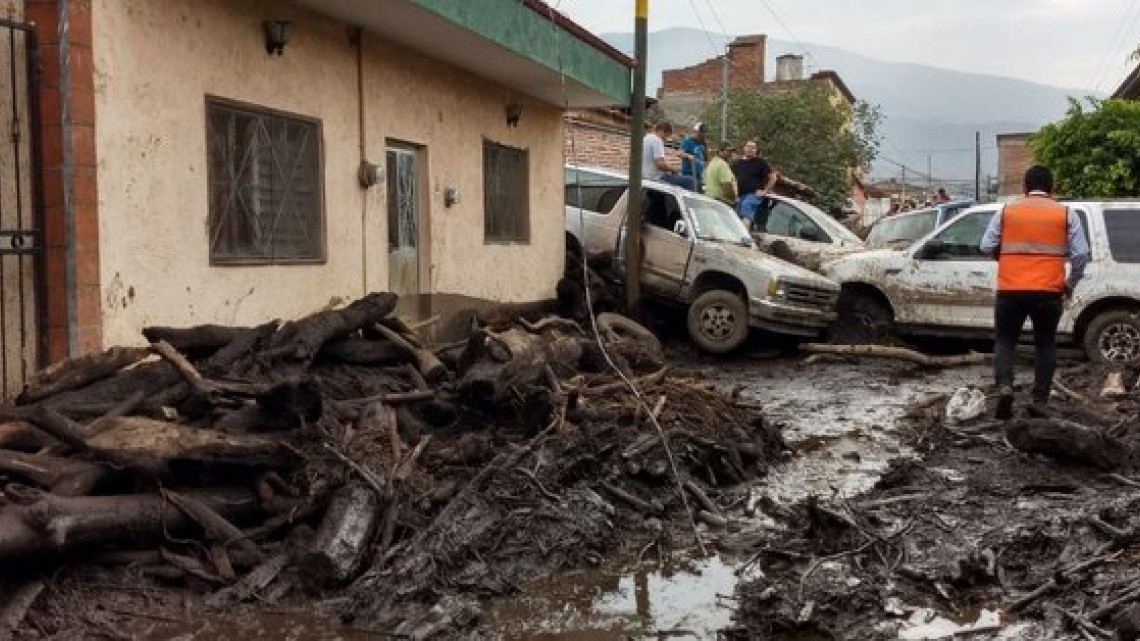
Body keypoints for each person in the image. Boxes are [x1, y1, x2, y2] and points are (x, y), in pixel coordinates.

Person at [980, 164, 1089, 419]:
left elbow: (986, 245)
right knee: (1045, 344)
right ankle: (1039, 400)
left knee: (1005, 341)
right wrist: (1070, 283)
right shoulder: (1065, 214)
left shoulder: (1008, 211)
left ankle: (1005, 386)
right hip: (1048, 291)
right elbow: (1081, 254)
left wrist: (1006, 259)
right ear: (1051, 188)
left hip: (1011, 289)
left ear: (1025, 188)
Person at [732, 140, 778, 224]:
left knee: (747, 206)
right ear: (744, 148)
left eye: (753, 147)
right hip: (740, 196)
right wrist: (735, 195)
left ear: (756, 150)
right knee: (735, 216)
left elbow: (773, 177)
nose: (750, 149)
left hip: (753, 195)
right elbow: (732, 180)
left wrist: (765, 191)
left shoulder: (760, 162)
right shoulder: (737, 163)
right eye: (748, 146)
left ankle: (745, 236)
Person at [642, 122, 696, 191]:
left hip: (646, 175)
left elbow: (669, 151)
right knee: (690, 181)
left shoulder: (646, 138)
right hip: (656, 177)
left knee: (673, 175)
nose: (665, 139)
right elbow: (660, 165)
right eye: (666, 136)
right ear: (662, 131)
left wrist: (686, 155)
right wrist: (674, 169)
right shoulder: (657, 141)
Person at [703, 142, 737, 206]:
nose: (731, 154)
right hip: (719, 202)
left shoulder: (712, 162)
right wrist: (734, 199)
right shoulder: (723, 165)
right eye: (728, 151)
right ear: (720, 151)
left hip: (709, 200)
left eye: (731, 152)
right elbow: (727, 186)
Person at [680, 123, 708, 192]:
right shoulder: (687, 142)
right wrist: (688, 156)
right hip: (689, 174)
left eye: (704, 133)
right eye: (700, 133)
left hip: (699, 176)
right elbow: (681, 153)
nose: (702, 135)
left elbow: (705, 159)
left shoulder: (703, 144)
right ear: (695, 132)